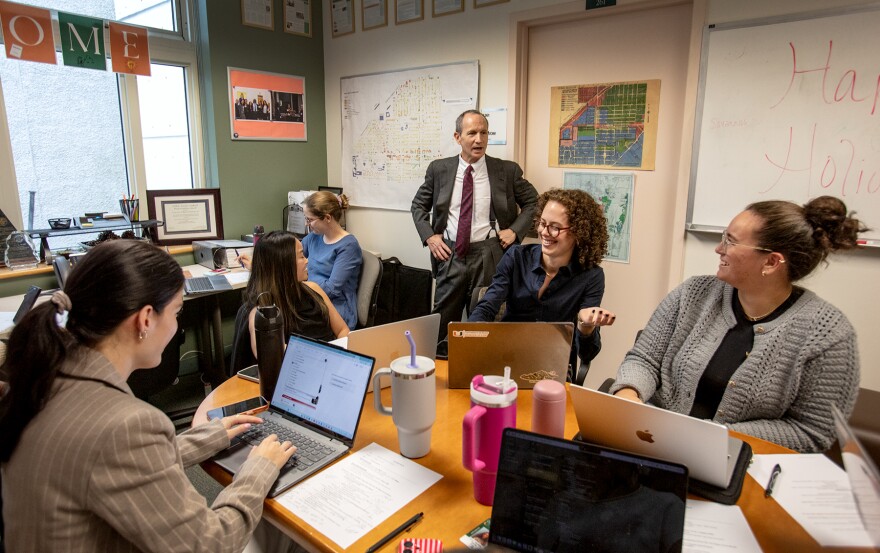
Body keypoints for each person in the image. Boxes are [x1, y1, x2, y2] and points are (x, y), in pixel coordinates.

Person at [0, 240, 297, 552]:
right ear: (145, 319)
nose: (176, 323)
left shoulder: (45, 375)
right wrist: (258, 469)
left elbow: (109, 462)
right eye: (176, 311)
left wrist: (201, 439)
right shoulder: (127, 424)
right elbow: (210, 544)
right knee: (277, 528)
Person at [611, 196, 866, 453]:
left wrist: (712, 436)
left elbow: (811, 433)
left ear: (771, 262)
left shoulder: (829, 334)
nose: (719, 249)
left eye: (731, 241)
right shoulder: (693, 293)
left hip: (741, 462)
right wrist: (629, 394)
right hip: (653, 443)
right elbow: (645, 359)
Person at [411, 109, 538, 355]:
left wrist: (515, 230)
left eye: (483, 133)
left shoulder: (506, 171)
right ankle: (441, 375)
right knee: (443, 322)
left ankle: (476, 376)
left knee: (484, 324)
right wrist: (430, 235)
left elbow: (533, 202)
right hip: (449, 255)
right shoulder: (439, 169)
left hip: (490, 255)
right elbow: (418, 206)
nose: (479, 139)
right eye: (472, 133)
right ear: (458, 137)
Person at [469, 188, 616, 375]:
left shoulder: (591, 276)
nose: (544, 232)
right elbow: (487, 306)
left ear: (580, 232)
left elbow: (587, 354)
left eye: (555, 227)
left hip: (553, 366)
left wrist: (585, 326)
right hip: (507, 358)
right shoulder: (516, 256)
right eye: (542, 223)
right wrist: (471, 340)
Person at [240, 230, 349, 368]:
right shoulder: (261, 313)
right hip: (299, 373)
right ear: (284, 264)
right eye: (301, 256)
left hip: (330, 364)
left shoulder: (314, 289)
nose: (307, 260)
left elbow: (342, 330)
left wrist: (340, 357)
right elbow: (270, 355)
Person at [301, 191, 362, 329]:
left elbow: (332, 289)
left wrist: (300, 288)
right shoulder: (313, 237)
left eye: (309, 220)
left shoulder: (348, 246)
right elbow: (290, 256)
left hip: (336, 308)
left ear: (327, 218)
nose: (307, 224)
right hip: (313, 299)